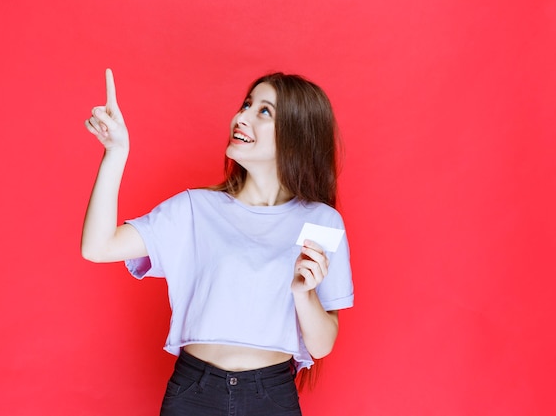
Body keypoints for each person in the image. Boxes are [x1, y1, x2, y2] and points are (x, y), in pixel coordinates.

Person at [82, 69, 354, 416]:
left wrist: (303, 292)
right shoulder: (195, 209)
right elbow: (98, 246)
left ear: (296, 134)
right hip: (194, 393)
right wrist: (115, 153)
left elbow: (322, 345)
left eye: (263, 111)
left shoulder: (321, 221)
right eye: (246, 104)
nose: (241, 117)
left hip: (271, 397)